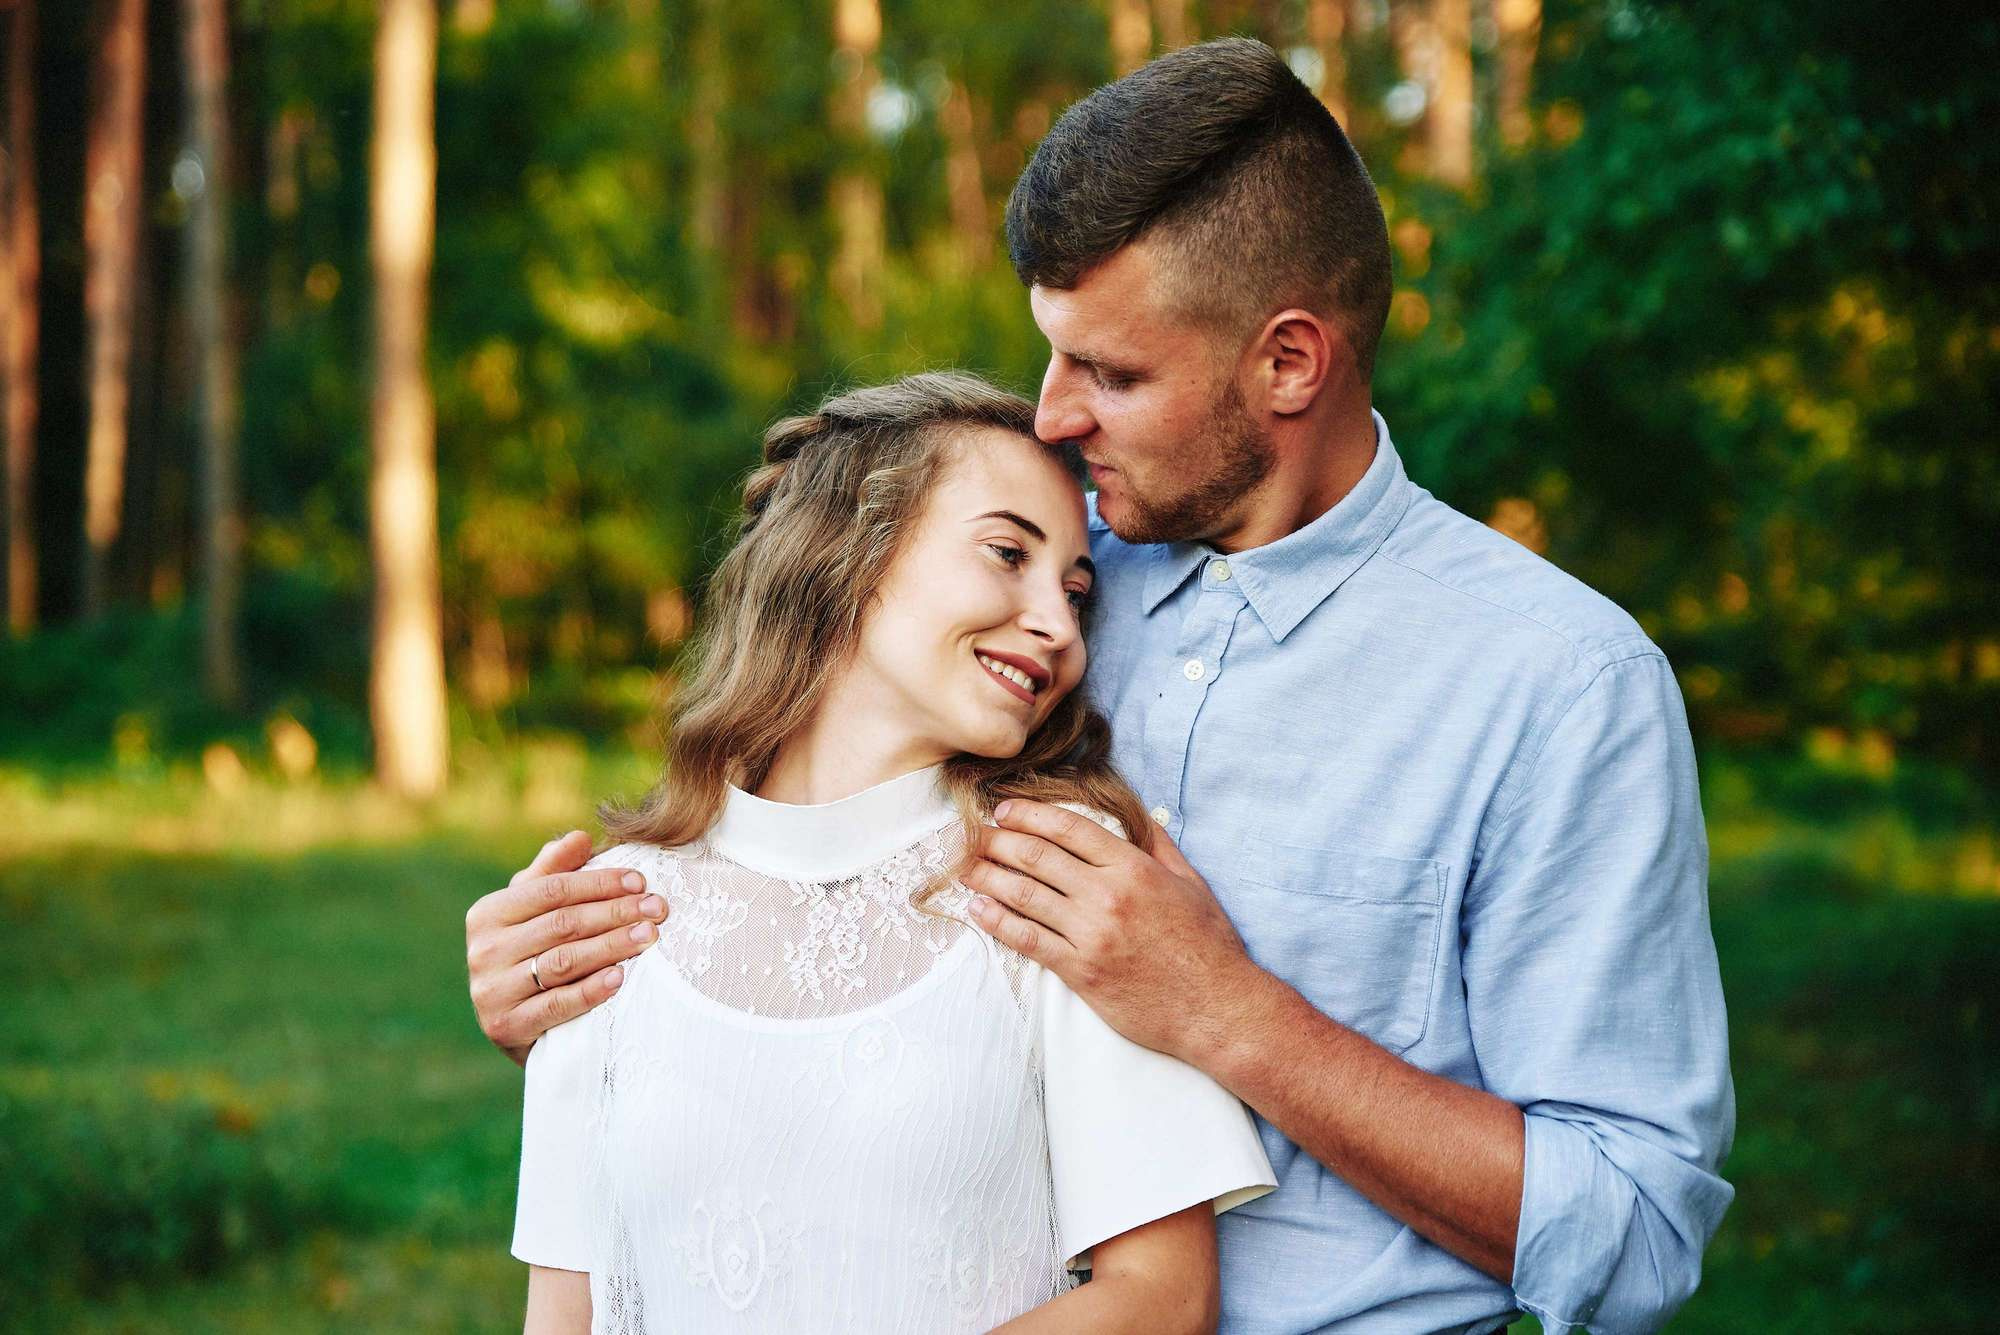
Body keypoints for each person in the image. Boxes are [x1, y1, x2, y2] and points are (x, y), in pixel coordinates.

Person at [469, 38, 1734, 1335]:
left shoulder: (1559, 686)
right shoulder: (1020, 607)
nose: (1054, 416)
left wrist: (1235, 1016)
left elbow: (1632, 1228)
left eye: (1111, 373)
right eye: (1054, 355)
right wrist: (585, 996)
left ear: (1289, 362)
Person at [501, 372, 1275, 1333]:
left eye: (1077, 593)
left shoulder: (1056, 877)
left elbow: (1165, 1300)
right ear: (851, 554)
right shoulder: (611, 912)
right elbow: (565, 1309)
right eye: (1007, 554)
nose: (1060, 626)